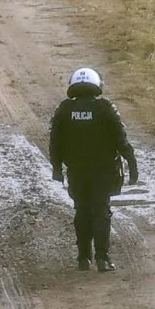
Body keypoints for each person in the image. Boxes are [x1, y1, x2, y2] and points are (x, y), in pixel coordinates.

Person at [48, 67, 136, 272]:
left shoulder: (64, 109)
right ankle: (102, 258)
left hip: (77, 172)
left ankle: (83, 258)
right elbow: (120, 139)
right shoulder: (105, 108)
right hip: (103, 172)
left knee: (82, 210)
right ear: (96, 85)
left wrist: (56, 169)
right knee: (101, 212)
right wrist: (131, 162)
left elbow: (55, 143)